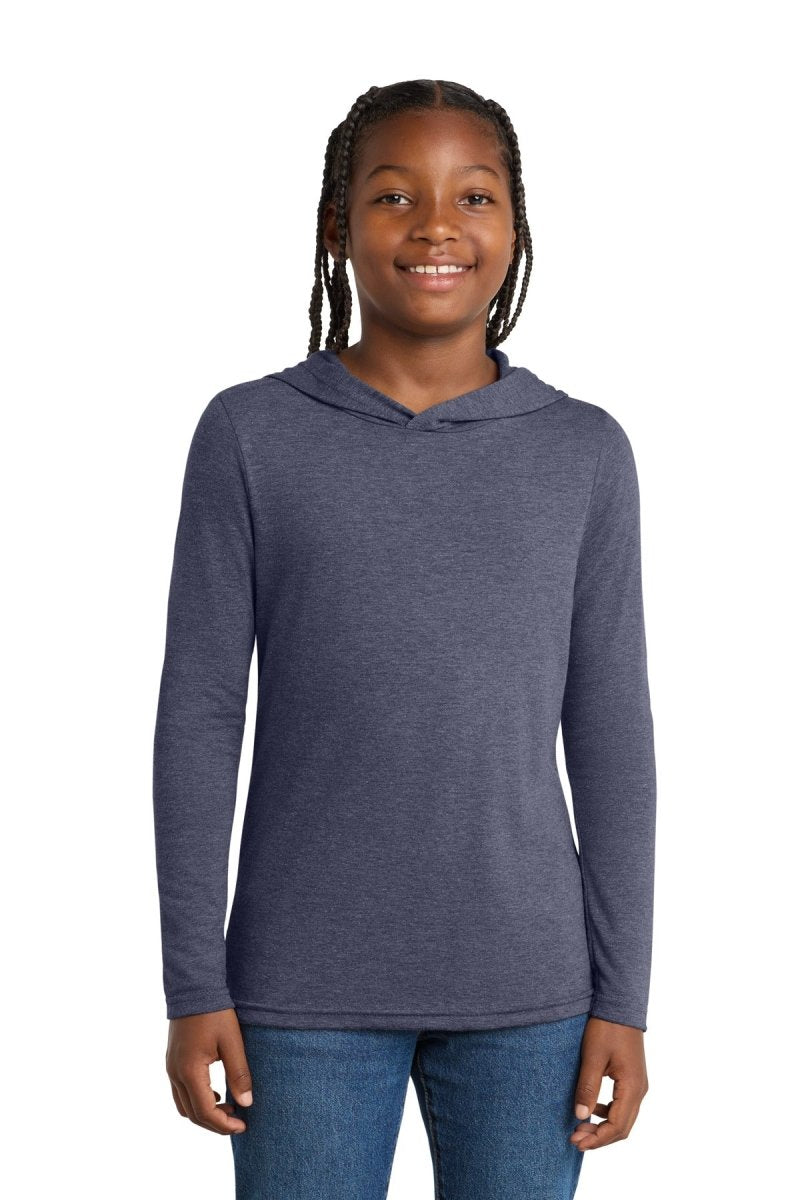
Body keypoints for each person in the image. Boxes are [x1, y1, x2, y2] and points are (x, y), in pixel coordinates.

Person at [152, 78, 657, 1200]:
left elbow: (612, 734)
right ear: (338, 227)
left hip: (531, 995)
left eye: (473, 196)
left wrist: (623, 997)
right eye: (393, 196)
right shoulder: (250, 435)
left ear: (514, 226)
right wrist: (194, 983)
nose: (435, 226)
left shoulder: (582, 452)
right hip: (297, 992)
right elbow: (198, 718)